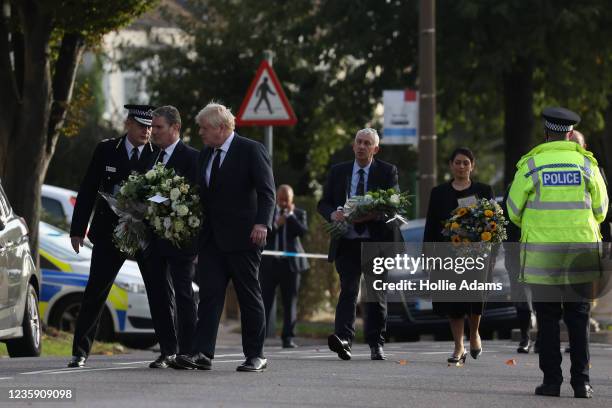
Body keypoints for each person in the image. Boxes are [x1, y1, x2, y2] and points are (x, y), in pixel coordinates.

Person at [507, 107, 608, 399]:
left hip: (542, 256)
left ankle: (551, 383)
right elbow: (601, 211)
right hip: (580, 254)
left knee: (548, 320)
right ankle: (582, 384)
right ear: (569, 133)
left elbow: (512, 212)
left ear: (546, 133)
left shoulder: (531, 164)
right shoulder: (587, 165)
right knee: (578, 319)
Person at [174, 102, 275, 373]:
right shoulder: (206, 154)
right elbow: (201, 196)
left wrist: (262, 224)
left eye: (204, 128)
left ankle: (256, 355)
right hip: (211, 241)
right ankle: (202, 353)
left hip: (244, 238)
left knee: (248, 296)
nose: (200, 133)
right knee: (209, 296)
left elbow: (267, 192)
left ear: (221, 128)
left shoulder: (251, 150)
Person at [67, 104, 159, 368]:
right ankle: (80, 352)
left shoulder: (159, 154)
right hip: (109, 232)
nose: (147, 131)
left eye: (150, 126)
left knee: (159, 291)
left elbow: (164, 193)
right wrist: (77, 230)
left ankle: (170, 349)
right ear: (128, 124)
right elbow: (87, 190)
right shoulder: (107, 149)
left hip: (145, 233)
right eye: (141, 126)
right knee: (96, 291)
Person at [317, 128, 399, 361]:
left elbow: (393, 208)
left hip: (376, 242)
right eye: (359, 142)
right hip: (347, 242)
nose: (362, 146)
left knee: (375, 293)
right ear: (353, 146)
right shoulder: (338, 171)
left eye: (367, 143)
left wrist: (371, 215)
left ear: (375, 149)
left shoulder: (387, 171)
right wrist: (333, 214)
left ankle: (376, 343)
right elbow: (323, 203)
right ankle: (344, 340)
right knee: (349, 291)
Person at [423, 147, 494, 364]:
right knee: (453, 302)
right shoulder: (439, 193)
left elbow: (494, 224)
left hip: (477, 255)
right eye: (458, 162)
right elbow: (432, 226)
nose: (461, 166)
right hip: (448, 255)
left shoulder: (484, 190)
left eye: (466, 162)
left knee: (474, 299)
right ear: (451, 165)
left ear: (472, 165)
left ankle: (474, 335)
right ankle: (458, 346)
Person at [145, 105, 199, 369]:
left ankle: (187, 351)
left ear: (175, 128)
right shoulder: (152, 157)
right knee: (157, 294)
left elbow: (193, 197)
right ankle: (167, 349)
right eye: (152, 127)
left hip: (180, 239)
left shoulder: (192, 157)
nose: (152, 132)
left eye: (158, 127)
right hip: (154, 238)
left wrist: (158, 199)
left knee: (183, 293)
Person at [260, 184, 309, 348]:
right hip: (270, 265)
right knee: (264, 301)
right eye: (280, 199)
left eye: (286, 200)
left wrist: (290, 216)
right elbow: (263, 234)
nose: (282, 203)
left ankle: (287, 338)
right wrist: (276, 223)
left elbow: (302, 232)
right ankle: (260, 336)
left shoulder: (299, 213)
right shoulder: (268, 213)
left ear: (291, 200)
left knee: (290, 302)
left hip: (291, 266)